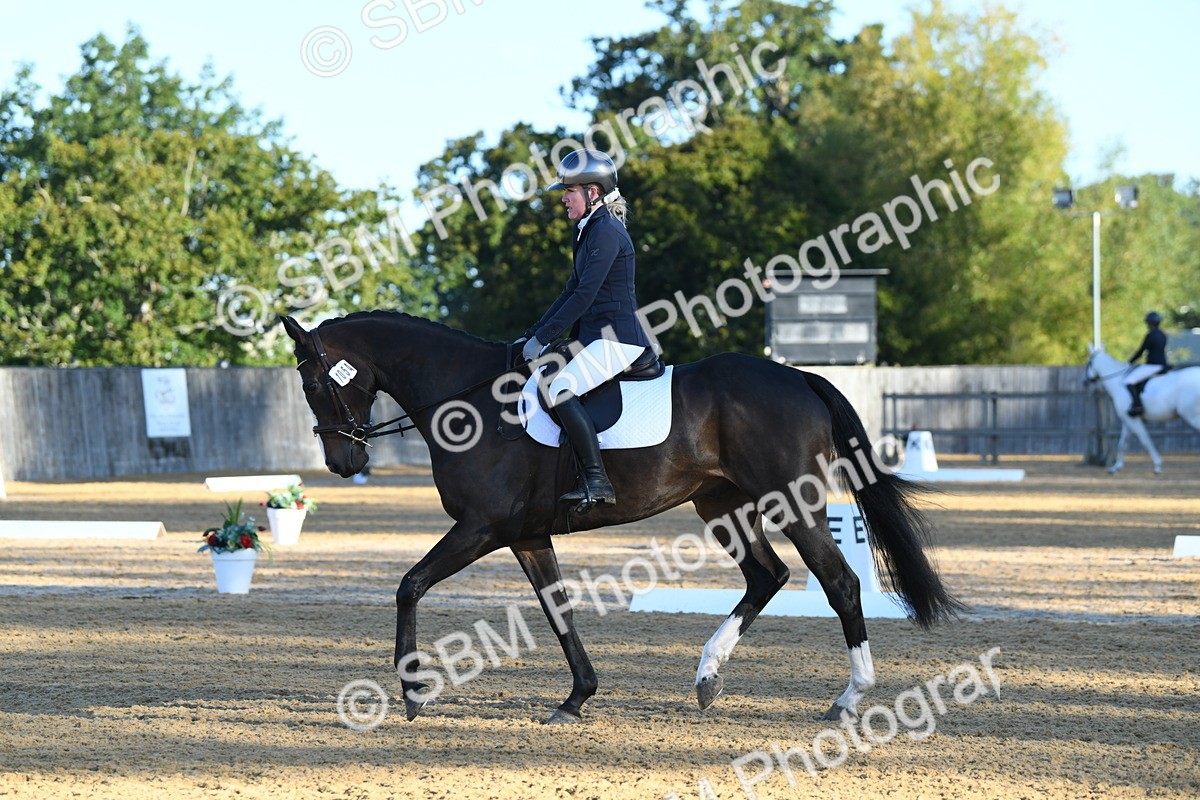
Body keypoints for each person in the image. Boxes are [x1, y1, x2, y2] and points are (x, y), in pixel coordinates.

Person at [518, 149, 654, 509]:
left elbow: (584, 295)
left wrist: (544, 338)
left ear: (592, 192)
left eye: (569, 191)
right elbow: (568, 292)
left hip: (618, 340)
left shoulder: (606, 231)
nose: (563, 198)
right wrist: (535, 332)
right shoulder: (590, 230)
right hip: (596, 338)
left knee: (559, 387)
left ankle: (597, 481)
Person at [1125, 311, 1169, 417]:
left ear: (1149, 323)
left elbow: (1141, 350)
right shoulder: (1163, 334)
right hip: (1163, 364)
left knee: (1129, 381)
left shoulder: (1151, 335)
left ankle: (1137, 405)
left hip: (1152, 365)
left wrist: (1131, 361)